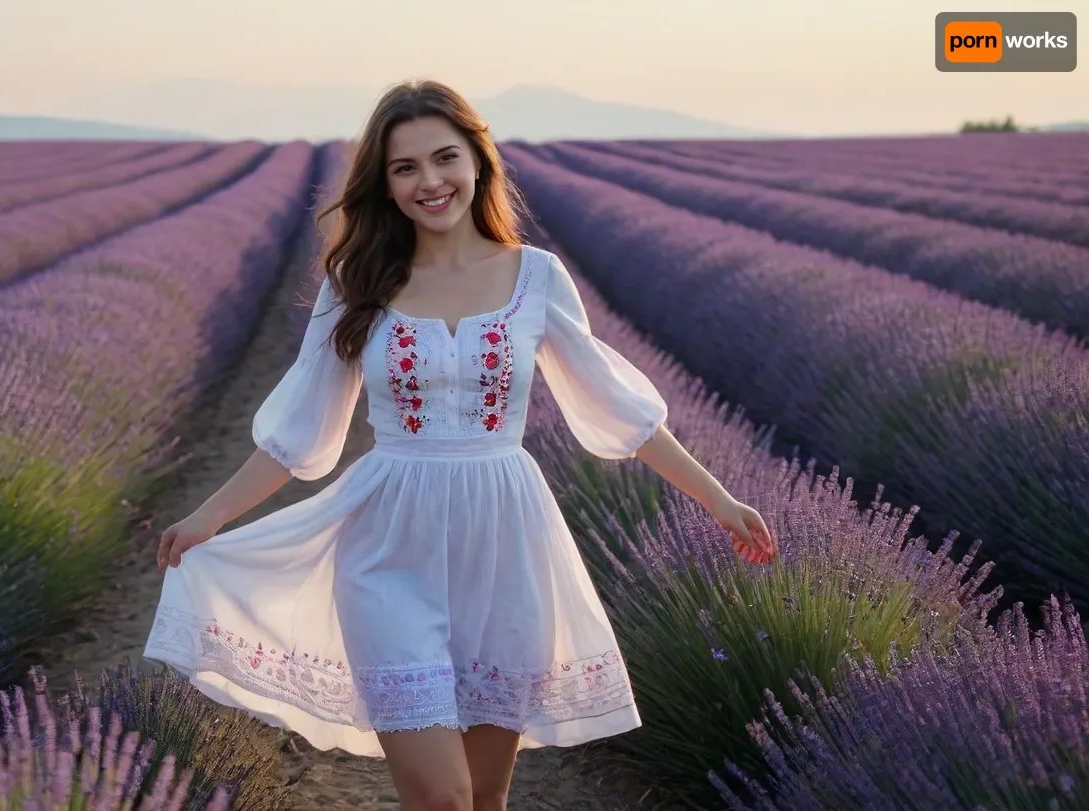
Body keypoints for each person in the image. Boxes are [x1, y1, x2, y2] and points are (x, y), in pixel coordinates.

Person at [143, 78, 776, 811]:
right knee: (442, 795)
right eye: (404, 167)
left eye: (444, 158)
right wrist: (208, 518)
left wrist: (721, 500)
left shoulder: (535, 277)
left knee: (483, 797)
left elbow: (623, 414)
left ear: (479, 160)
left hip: (506, 543)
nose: (429, 181)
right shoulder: (357, 281)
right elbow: (297, 434)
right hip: (387, 546)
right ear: (384, 185)